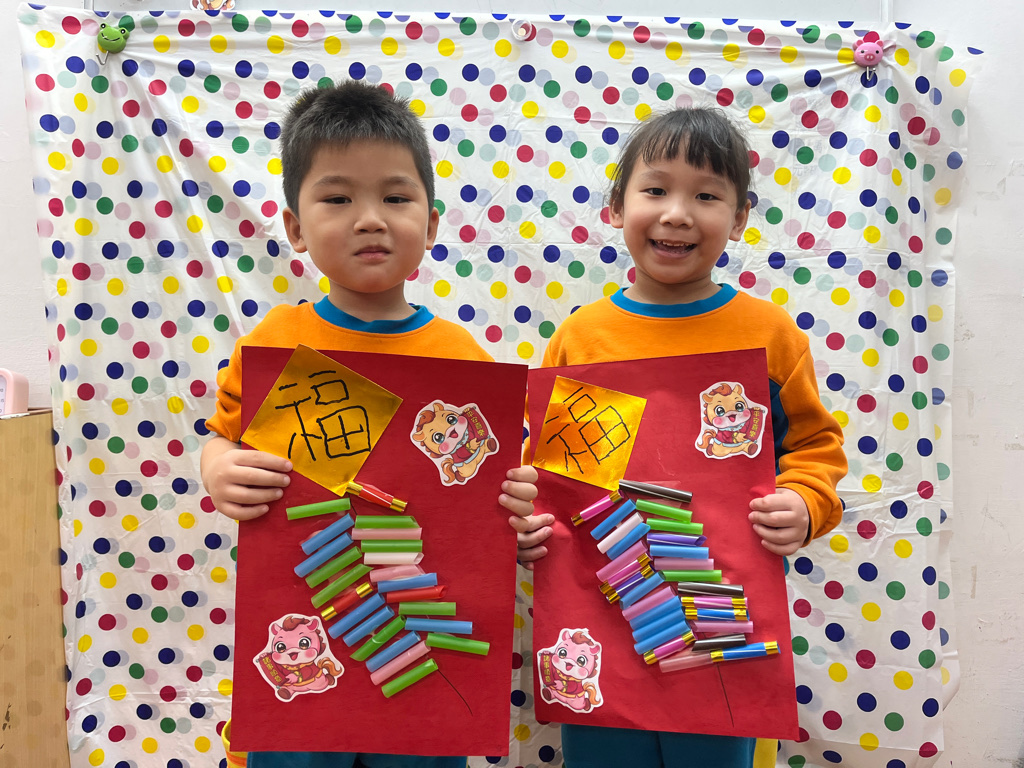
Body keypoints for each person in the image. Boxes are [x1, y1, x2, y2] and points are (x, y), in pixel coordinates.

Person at [200, 79, 538, 768]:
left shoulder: (461, 360)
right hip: (304, 634)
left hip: (421, 646)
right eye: (337, 199)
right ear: (295, 227)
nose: (369, 220)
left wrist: (523, 508)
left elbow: (508, 479)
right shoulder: (280, 343)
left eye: (395, 197)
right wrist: (218, 470)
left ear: (432, 224)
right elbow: (221, 440)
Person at [512, 107, 847, 767]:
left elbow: (814, 447)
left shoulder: (769, 333)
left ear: (740, 217)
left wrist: (807, 502)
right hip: (602, 622)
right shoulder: (582, 337)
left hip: (726, 625)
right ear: (617, 207)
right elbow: (549, 472)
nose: (677, 214)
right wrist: (528, 524)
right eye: (656, 189)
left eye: (706, 196)